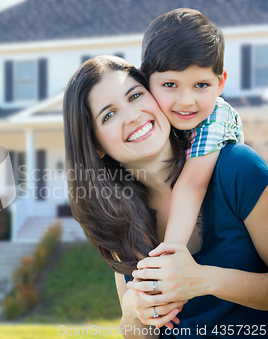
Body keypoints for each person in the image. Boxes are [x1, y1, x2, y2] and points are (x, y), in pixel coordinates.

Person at [63, 55, 268, 338]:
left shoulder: (236, 168)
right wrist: (133, 310)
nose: (133, 116)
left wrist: (205, 280)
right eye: (108, 115)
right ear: (95, 144)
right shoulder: (117, 215)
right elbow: (138, 331)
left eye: (135, 96)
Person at [141, 8, 243, 247]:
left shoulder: (216, 116)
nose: (186, 101)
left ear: (220, 84)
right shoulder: (154, 120)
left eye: (200, 84)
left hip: (227, 226)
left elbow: (192, 185)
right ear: (146, 81)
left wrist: (169, 254)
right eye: (170, 84)